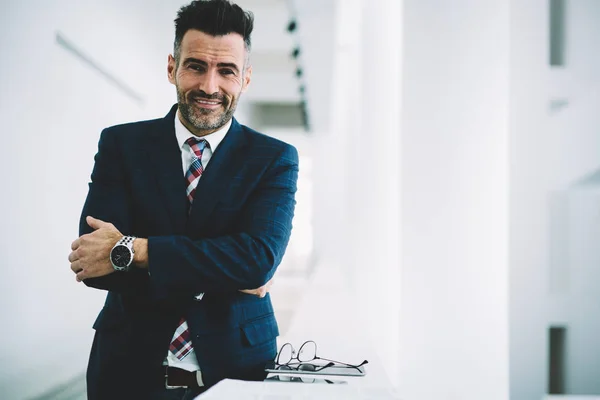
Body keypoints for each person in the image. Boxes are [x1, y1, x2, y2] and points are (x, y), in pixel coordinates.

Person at [67, 1, 299, 398]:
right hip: (126, 369)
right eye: (195, 66)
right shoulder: (122, 145)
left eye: (226, 71)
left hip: (236, 370)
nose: (209, 86)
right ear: (172, 67)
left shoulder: (274, 159)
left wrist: (134, 249)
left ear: (245, 79)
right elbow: (96, 263)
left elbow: (256, 261)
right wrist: (226, 269)